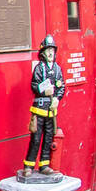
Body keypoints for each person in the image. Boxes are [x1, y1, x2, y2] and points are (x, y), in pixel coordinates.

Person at [19, 34, 64, 178]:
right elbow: (34, 86)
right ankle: (29, 165)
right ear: (43, 53)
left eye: (52, 50)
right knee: (36, 138)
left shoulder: (57, 69)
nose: (51, 53)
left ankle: (44, 164)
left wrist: (57, 98)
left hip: (51, 111)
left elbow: (61, 86)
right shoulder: (39, 69)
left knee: (48, 138)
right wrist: (43, 90)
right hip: (39, 109)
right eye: (48, 50)